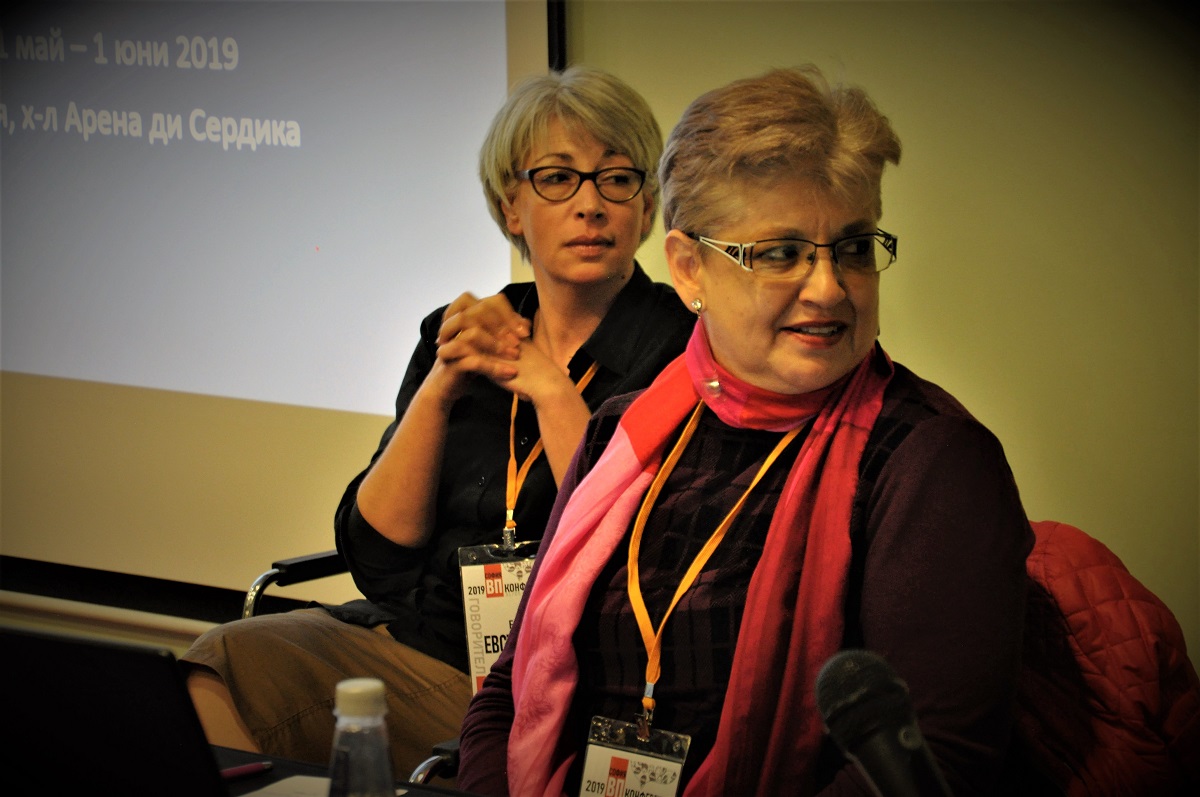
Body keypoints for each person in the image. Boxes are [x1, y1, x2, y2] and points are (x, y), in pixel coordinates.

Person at [456, 66, 1036, 796]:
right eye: (781, 253)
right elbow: (506, 693)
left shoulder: (933, 461)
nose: (828, 288)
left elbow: (934, 762)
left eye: (854, 248)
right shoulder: (622, 428)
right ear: (688, 268)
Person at [181, 65, 695, 779]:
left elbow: (629, 558)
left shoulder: (682, 351)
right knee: (217, 663)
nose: (590, 205)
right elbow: (378, 556)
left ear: (646, 207)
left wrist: (549, 388)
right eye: (557, 178)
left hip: (566, 677)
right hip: (424, 644)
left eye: (616, 179)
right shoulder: (466, 332)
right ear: (511, 206)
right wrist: (442, 385)